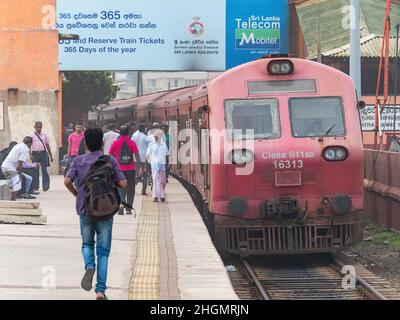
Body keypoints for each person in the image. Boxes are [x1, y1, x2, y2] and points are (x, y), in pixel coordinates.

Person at [64, 127, 127, 300]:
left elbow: (67, 180)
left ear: (85, 143)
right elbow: (123, 183)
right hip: (105, 211)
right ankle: (100, 291)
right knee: (104, 252)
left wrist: (77, 194)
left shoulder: (78, 161)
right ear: (102, 143)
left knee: (86, 244)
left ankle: (89, 266)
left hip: (85, 209)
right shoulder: (110, 160)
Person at [109, 125, 143, 215]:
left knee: (120, 188)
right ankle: (128, 208)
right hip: (131, 169)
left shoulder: (115, 143)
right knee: (131, 188)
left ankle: (121, 204)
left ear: (119, 132)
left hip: (119, 170)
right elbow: (137, 155)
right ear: (128, 133)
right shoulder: (132, 143)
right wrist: (139, 167)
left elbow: (110, 155)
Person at [146, 130, 169, 202]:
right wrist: (150, 162)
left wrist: (168, 164)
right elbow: (147, 155)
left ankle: (160, 194)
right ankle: (158, 196)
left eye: (157, 136)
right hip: (154, 166)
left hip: (162, 166)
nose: (155, 137)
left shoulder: (163, 144)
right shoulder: (151, 145)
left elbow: (167, 155)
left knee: (163, 181)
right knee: (156, 180)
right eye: (155, 136)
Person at [30, 121, 53, 191]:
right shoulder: (31, 135)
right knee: (35, 170)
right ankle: (36, 186)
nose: (38, 129)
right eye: (37, 127)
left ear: (41, 127)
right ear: (35, 127)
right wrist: (30, 154)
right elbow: (29, 145)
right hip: (35, 154)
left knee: (44, 170)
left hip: (43, 154)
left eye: (40, 127)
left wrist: (50, 155)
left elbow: (47, 145)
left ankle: (45, 186)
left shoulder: (45, 135)